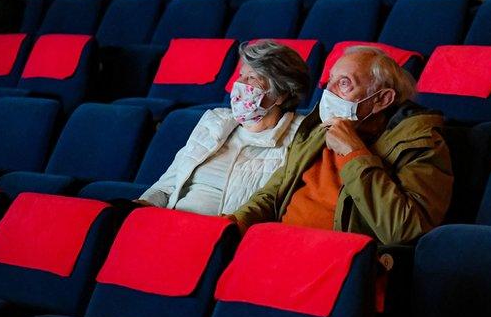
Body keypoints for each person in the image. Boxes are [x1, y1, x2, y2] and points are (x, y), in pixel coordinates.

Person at [227, 46, 452, 246]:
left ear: (382, 99)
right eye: (329, 81)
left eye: (344, 83)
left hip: (339, 260)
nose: (328, 93)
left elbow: (403, 229)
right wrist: (231, 226)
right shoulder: (317, 130)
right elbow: (272, 195)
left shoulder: (421, 143)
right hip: (280, 246)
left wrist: (354, 153)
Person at [136, 40, 309, 216]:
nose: (239, 84)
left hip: (223, 233)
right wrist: (140, 206)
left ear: (281, 95)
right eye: (240, 75)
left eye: (252, 78)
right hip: (171, 222)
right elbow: (167, 186)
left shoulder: (299, 140)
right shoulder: (214, 122)